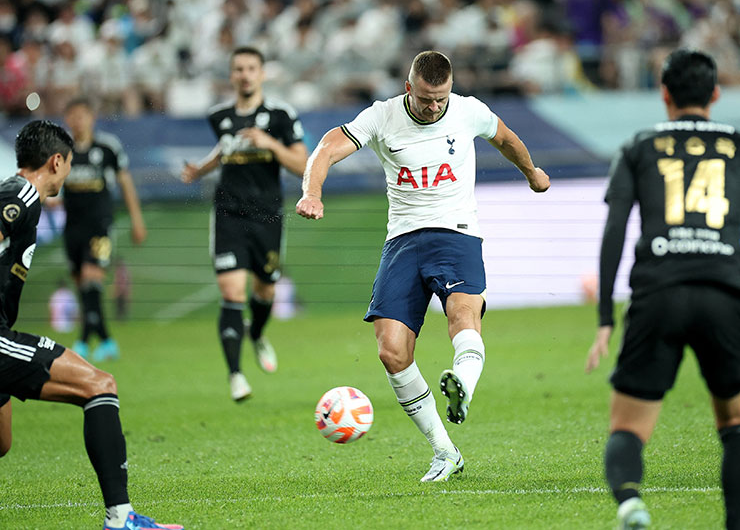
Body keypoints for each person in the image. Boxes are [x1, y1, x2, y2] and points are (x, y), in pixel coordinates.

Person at [296, 50, 550, 481]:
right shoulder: (381, 117)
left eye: (442, 98)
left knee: (462, 312)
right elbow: (326, 148)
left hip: (457, 231)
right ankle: (445, 451)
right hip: (403, 241)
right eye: (427, 98)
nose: (435, 107)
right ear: (409, 87)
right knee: (391, 351)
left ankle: (463, 385)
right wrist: (312, 192)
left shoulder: (468, 111)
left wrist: (532, 173)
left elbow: (505, 138)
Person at [0, 120, 182, 530]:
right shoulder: (21, 194)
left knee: (2, 443)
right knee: (99, 385)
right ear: (57, 161)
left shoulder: (16, 193)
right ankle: (121, 518)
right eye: (68, 165)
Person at [586, 49, 740, 530]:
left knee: (628, 427)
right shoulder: (738, 145)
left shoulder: (639, 146)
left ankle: (631, 503)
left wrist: (606, 319)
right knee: (734, 424)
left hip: (657, 295)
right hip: (725, 294)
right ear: (716, 94)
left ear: (664, 94)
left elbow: (614, 233)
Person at [181, 46, 308, 401]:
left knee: (265, 290)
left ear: (262, 73)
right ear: (231, 75)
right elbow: (225, 148)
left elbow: (302, 164)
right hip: (228, 215)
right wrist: (200, 170)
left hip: (267, 216)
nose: (245, 74)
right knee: (232, 292)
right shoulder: (219, 115)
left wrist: (269, 143)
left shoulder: (280, 115)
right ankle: (236, 375)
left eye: (252, 68)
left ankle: (257, 335)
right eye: (239, 69)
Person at [62, 96, 147, 362]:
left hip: (100, 227)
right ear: (67, 120)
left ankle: (83, 343)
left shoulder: (107, 147)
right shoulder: (62, 151)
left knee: (91, 281)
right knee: (85, 290)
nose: (78, 121)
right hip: (72, 229)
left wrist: (137, 220)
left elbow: (125, 182)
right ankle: (107, 341)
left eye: (82, 115)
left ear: (91, 117)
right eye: (73, 116)